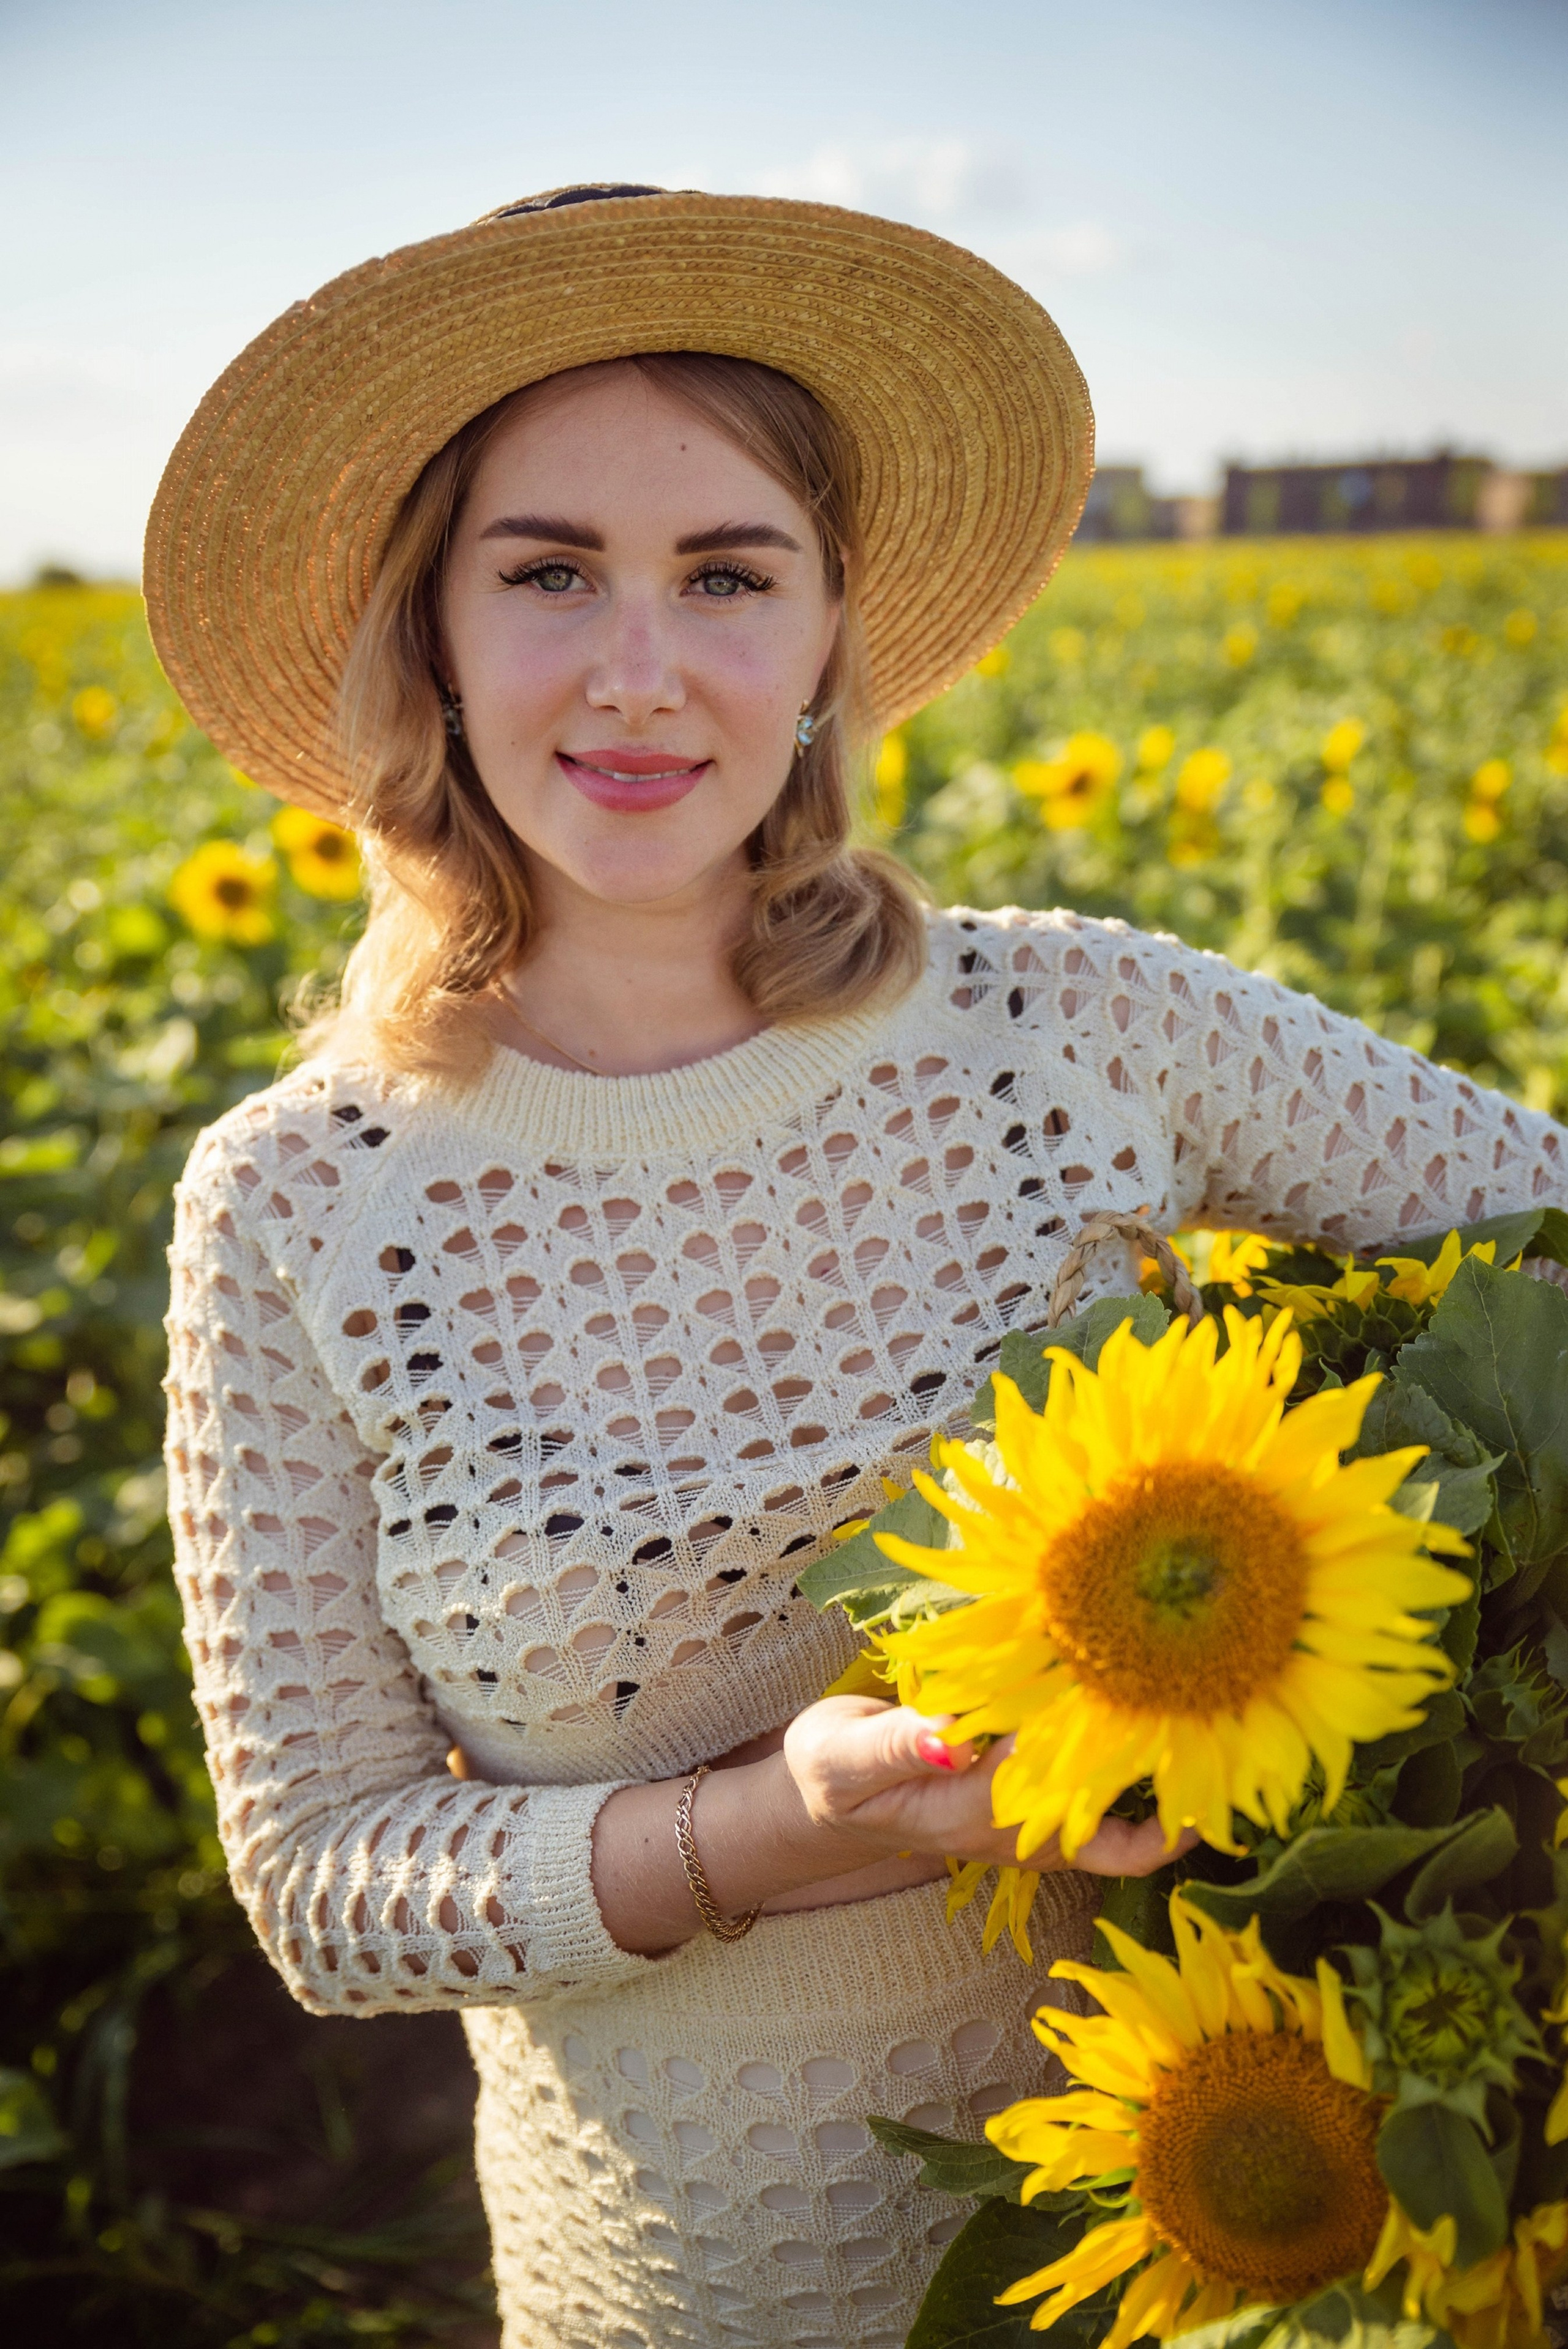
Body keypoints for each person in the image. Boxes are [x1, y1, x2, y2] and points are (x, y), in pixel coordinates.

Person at [147, 187, 1568, 2349]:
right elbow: (328, 1887)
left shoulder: (1079, 1029)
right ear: (430, 633)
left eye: (728, 572)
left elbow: (1533, 1232)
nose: (643, 666)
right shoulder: (301, 1209)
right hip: (696, 2276)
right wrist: (766, 1840)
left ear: (828, 638)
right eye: (548, 573)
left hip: (1265, 2224)